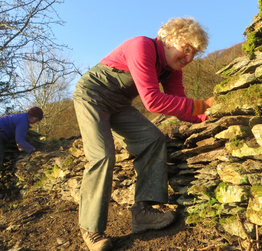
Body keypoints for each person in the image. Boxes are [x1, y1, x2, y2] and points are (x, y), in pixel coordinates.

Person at [72, 17, 214, 251]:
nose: (189, 58)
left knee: (153, 139)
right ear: (168, 39)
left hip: (119, 104)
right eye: (186, 49)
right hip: (92, 96)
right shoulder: (141, 46)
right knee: (102, 155)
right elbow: (152, 101)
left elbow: (179, 105)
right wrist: (201, 105)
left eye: (194, 53)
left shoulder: (171, 71)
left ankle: (143, 212)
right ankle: (91, 230)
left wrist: (209, 116)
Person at [0, 107, 43, 201]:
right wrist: (33, 149)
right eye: (38, 119)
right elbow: (20, 140)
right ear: (35, 117)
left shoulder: (21, 117)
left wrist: (21, 145)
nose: (37, 122)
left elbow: (18, 140)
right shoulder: (23, 121)